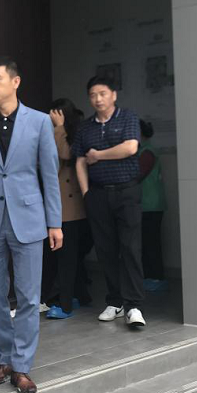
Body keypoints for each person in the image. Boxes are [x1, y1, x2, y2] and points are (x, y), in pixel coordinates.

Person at [0, 56, 63, 393]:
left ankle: (22, 366)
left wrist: (54, 222)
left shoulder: (39, 122)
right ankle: (3, 361)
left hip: (29, 219)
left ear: (15, 82)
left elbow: (49, 175)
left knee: (29, 297)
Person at [74, 75, 146, 328]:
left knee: (130, 248)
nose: (98, 99)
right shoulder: (85, 128)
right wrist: (86, 193)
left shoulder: (127, 117)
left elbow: (130, 148)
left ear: (113, 95)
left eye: (102, 93)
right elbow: (80, 161)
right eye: (93, 95)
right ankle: (115, 301)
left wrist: (98, 155)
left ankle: (134, 305)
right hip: (98, 194)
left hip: (127, 192)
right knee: (106, 250)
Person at [43, 98, 90, 320]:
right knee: (67, 257)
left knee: (67, 258)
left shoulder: (74, 134)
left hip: (70, 206)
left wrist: (59, 127)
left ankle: (64, 303)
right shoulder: (53, 133)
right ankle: (77, 296)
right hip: (59, 205)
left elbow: (65, 154)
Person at [138, 120, 168, 292]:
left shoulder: (147, 152)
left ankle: (155, 277)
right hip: (147, 204)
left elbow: (137, 175)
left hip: (150, 204)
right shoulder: (144, 150)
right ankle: (150, 276)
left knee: (151, 243)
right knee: (147, 242)